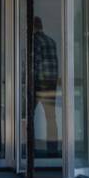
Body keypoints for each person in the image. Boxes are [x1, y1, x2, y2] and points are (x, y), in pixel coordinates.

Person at [32, 17, 60, 152]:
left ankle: (29, 149)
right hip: (51, 83)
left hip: (39, 83)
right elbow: (55, 64)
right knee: (51, 117)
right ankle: (53, 149)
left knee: (28, 114)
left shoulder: (36, 41)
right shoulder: (52, 41)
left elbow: (35, 64)